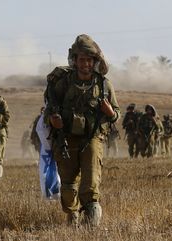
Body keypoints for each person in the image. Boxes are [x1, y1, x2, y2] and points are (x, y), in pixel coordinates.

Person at [45, 34, 120, 226]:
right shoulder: (63, 82)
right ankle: (72, 215)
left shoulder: (104, 85)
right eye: (81, 60)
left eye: (89, 60)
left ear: (94, 61)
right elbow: (50, 109)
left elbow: (115, 115)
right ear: (75, 61)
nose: (85, 64)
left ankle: (90, 224)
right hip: (66, 138)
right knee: (69, 186)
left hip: (92, 138)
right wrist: (54, 121)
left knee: (90, 184)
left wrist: (110, 112)